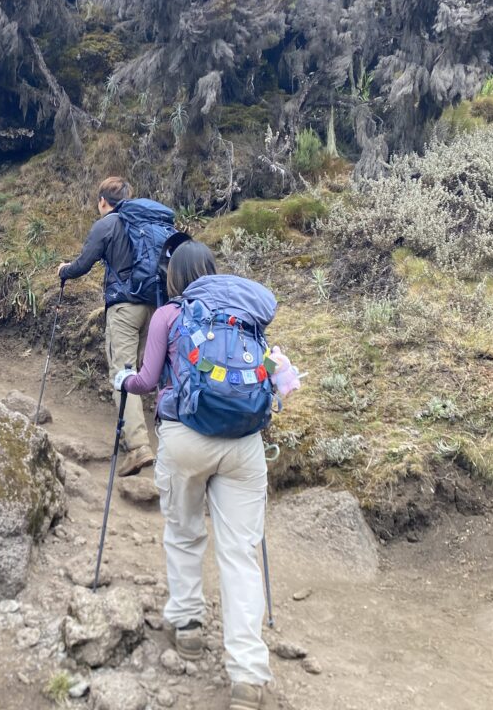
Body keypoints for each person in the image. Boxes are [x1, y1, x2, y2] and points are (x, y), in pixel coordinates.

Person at [114, 241, 288, 710]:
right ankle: (248, 674)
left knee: (185, 533)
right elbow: (272, 371)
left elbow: (147, 380)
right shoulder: (245, 313)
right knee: (239, 555)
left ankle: (188, 628)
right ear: (212, 271)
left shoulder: (169, 315)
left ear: (172, 275)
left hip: (185, 438)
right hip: (245, 446)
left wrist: (122, 380)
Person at [57, 176, 164, 476]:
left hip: (125, 309)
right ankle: (138, 434)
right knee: (145, 373)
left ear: (103, 200)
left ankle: (139, 447)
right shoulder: (148, 223)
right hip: (155, 308)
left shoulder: (107, 224)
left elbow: (83, 264)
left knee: (123, 374)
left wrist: (64, 270)